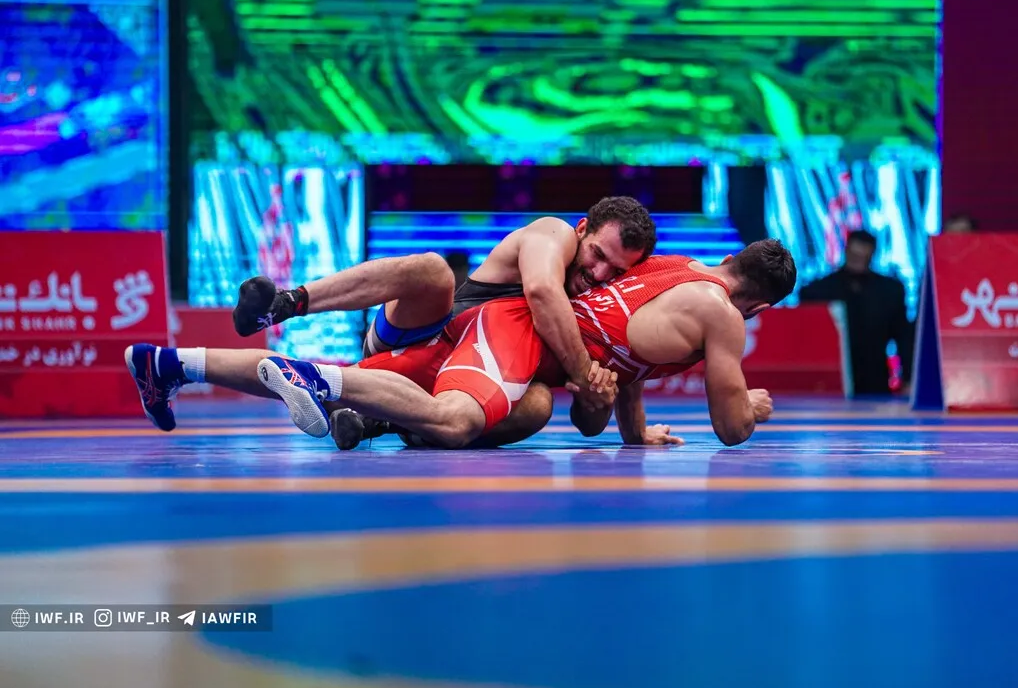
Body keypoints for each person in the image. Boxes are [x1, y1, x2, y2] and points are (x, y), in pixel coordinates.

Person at [125, 240, 793, 448]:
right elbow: (730, 429)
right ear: (760, 305)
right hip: (502, 328)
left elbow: (621, 370)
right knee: (456, 419)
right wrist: (754, 407)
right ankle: (309, 346)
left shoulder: (671, 268)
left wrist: (631, 428)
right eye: (595, 257)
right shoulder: (724, 318)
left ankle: (170, 363)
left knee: (526, 406)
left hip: (493, 340)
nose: (598, 272)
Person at [232, 196, 656, 438]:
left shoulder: (607, 306)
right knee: (435, 271)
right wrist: (583, 372)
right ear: (581, 229)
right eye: (597, 254)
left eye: (616, 270)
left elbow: (596, 415)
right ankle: (285, 304)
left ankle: (389, 420)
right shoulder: (554, 234)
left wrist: (613, 411)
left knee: (539, 403)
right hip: (420, 335)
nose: (600, 273)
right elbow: (542, 291)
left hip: (461, 386)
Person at [799, 229, 912, 397]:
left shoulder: (890, 291)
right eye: (854, 255)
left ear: (872, 255)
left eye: (863, 256)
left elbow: (904, 338)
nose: (858, 260)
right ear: (846, 251)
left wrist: (908, 378)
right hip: (829, 380)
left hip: (875, 378)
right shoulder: (817, 291)